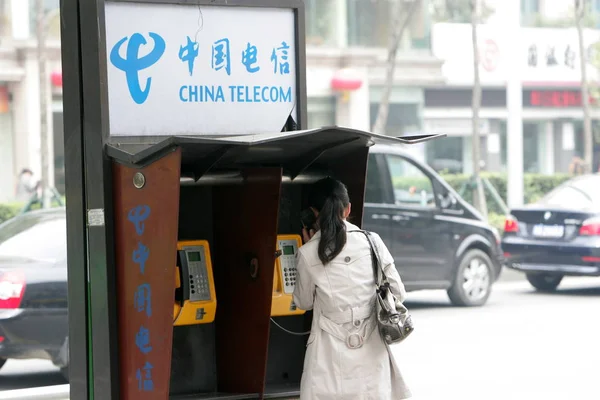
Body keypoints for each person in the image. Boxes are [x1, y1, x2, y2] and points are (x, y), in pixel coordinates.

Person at [293, 177, 411, 400]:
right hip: (371, 354)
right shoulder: (372, 242)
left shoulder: (308, 254)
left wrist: (308, 247)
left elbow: (303, 302)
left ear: (312, 212)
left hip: (326, 359)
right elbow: (399, 294)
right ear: (347, 209)